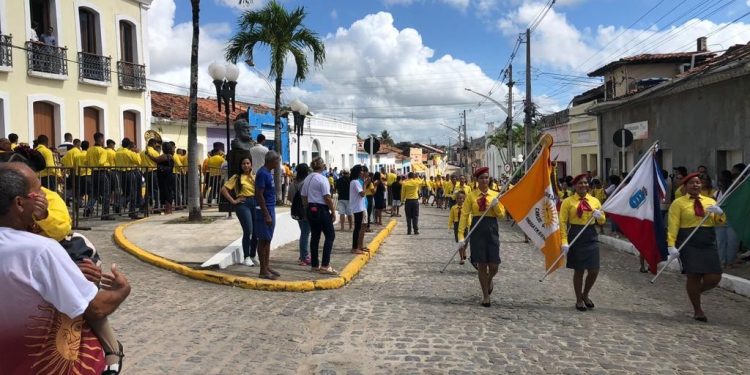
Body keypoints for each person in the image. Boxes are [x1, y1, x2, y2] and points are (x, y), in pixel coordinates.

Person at [0, 163, 131, 375]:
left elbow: (61, 227)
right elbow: (96, 308)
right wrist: (121, 290)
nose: (43, 195)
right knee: (83, 305)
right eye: (37, 192)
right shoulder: (41, 251)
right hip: (40, 364)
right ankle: (112, 353)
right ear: (19, 203)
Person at [667, 173, 725, 322]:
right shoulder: (678, 203)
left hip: (707, 240)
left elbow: (719, 222)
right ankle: (698, 310)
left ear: (702, 185)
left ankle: (695, 292)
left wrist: (720, 214)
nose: (695, 185)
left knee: (714, 276)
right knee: (694, 275)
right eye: (691, 183)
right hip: (688, 240)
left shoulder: (710, 201)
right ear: (685, 187)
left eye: (698, 182)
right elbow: (673, 224)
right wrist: (671, 245)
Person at [457, 167, 505, 307]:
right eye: (482, 178)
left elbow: (501, 215)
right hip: (477, 230)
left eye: (486, 177)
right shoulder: (471, 196)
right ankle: (485, 296)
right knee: (482, 265)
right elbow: (465, 216)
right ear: (477, 180)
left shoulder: (496, 195)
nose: (485, 180)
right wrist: (461, 236)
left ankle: (489, 280)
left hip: (492, 229)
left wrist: (496, 206)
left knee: (494, 265)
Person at [560, 174, 606, 312]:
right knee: (579, 270)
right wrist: (564, 241)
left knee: (594, 270)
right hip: (575, 234)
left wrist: (600, 216)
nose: (583, 185)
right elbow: (562, 222)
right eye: (580, 183)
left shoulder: (594, 201)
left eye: (585, 183)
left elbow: (602, 220)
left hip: (590, 235)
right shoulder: (567, 202)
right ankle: (579, 299)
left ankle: (585, 294)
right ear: (575, 185)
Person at [301, 157, 338, 274]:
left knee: (315, 237)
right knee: (330, 235)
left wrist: (307, 208)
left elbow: (304, 196)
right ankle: (325, 265)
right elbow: (327, 197)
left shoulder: (307, 178)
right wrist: (332, 211)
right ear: (322, 166)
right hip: (321, 209)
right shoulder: (322, 179)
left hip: (311, 208)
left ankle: (315, 265)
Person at [222, 157, 258, 267]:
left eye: (248, 163)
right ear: (241, 165)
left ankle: (252, 255)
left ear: (251, 165)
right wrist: (233, 201)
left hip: (255, 203)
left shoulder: (255, 176)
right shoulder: (236, 177)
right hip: (243, 204)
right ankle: (246, 256)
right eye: (243, 163)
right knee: (248, 230)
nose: (246, 165)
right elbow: (224, 189)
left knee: (256, 232)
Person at [255, 151, 281, 279]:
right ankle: (262, 270)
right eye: (277, 161)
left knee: (268, 239)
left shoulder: (268, 173)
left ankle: (266, 265)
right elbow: (259, 194)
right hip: (264, 210)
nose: (278, 164)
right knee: (263, 240)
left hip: (270, 207)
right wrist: (266, 214)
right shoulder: (262, 173)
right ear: (272, 161)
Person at [86, 133, 114, 220]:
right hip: (102, 173)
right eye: (102, 139)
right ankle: (105, 214)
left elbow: (86, 161)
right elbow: (101, 163)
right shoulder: (103, 151)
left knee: (94, 193)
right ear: (100, 139)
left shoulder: (89, 150)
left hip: (93, 172)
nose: (103, 141)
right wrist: (108, 164)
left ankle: (88, 208)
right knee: (106, 193)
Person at [715, 170, 739, 269]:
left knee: (732, 241)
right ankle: (722, 261)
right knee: (721, 241)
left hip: (732, 219)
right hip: (719, 220)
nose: (721, 182)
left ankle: (730, 262)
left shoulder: (736, 191)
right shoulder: (717, 193)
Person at [288, 163, 311, 266]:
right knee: (305, 234)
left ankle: (303, 254)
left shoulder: (293, 183)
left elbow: (289, 198)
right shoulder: (306, 183)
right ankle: (304, 257)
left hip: (297, 210)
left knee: (304, 233)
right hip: (306, 210)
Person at [115, 138, 143, 219]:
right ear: (128, 145)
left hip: (120, 173)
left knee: (125, 192)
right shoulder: (129, 152)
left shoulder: (118, 152)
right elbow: (138, 161)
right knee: (133, 193)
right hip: (129, 173)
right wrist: (137, 153)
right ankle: (132, 212)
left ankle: (118, 204)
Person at [349, 165, 369, 254]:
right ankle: (354, 247)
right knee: (357, 228)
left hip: (358, 207)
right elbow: (362, 194)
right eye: (361, 171)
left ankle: (356, 247)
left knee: (358, 227)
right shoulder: (355, 182)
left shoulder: (353, 181)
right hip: (358, 208)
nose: (362, 172)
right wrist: (365, 184)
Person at [151, 142, 175, 214]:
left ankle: (168, 210)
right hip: (168, 175)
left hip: (165, 177)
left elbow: (156, 160)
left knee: (166, 192)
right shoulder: (170, 155)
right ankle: (168, 209)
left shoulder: (166, 156)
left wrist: (148, 155)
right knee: (167, 192)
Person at [449, 190, 468, 265]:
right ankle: (462, 258)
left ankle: (464, 251)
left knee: (466, 242)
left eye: (461, 198)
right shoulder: (453, 208)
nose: (460, 200)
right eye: (458, 198)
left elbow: (469, 215)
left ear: (464, 199)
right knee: (460, 242)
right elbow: (451, 217)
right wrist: (449, 226)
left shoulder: (466, 207)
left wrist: (469, 224)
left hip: (465, 225)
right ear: (456, 199)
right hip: (457, 225)